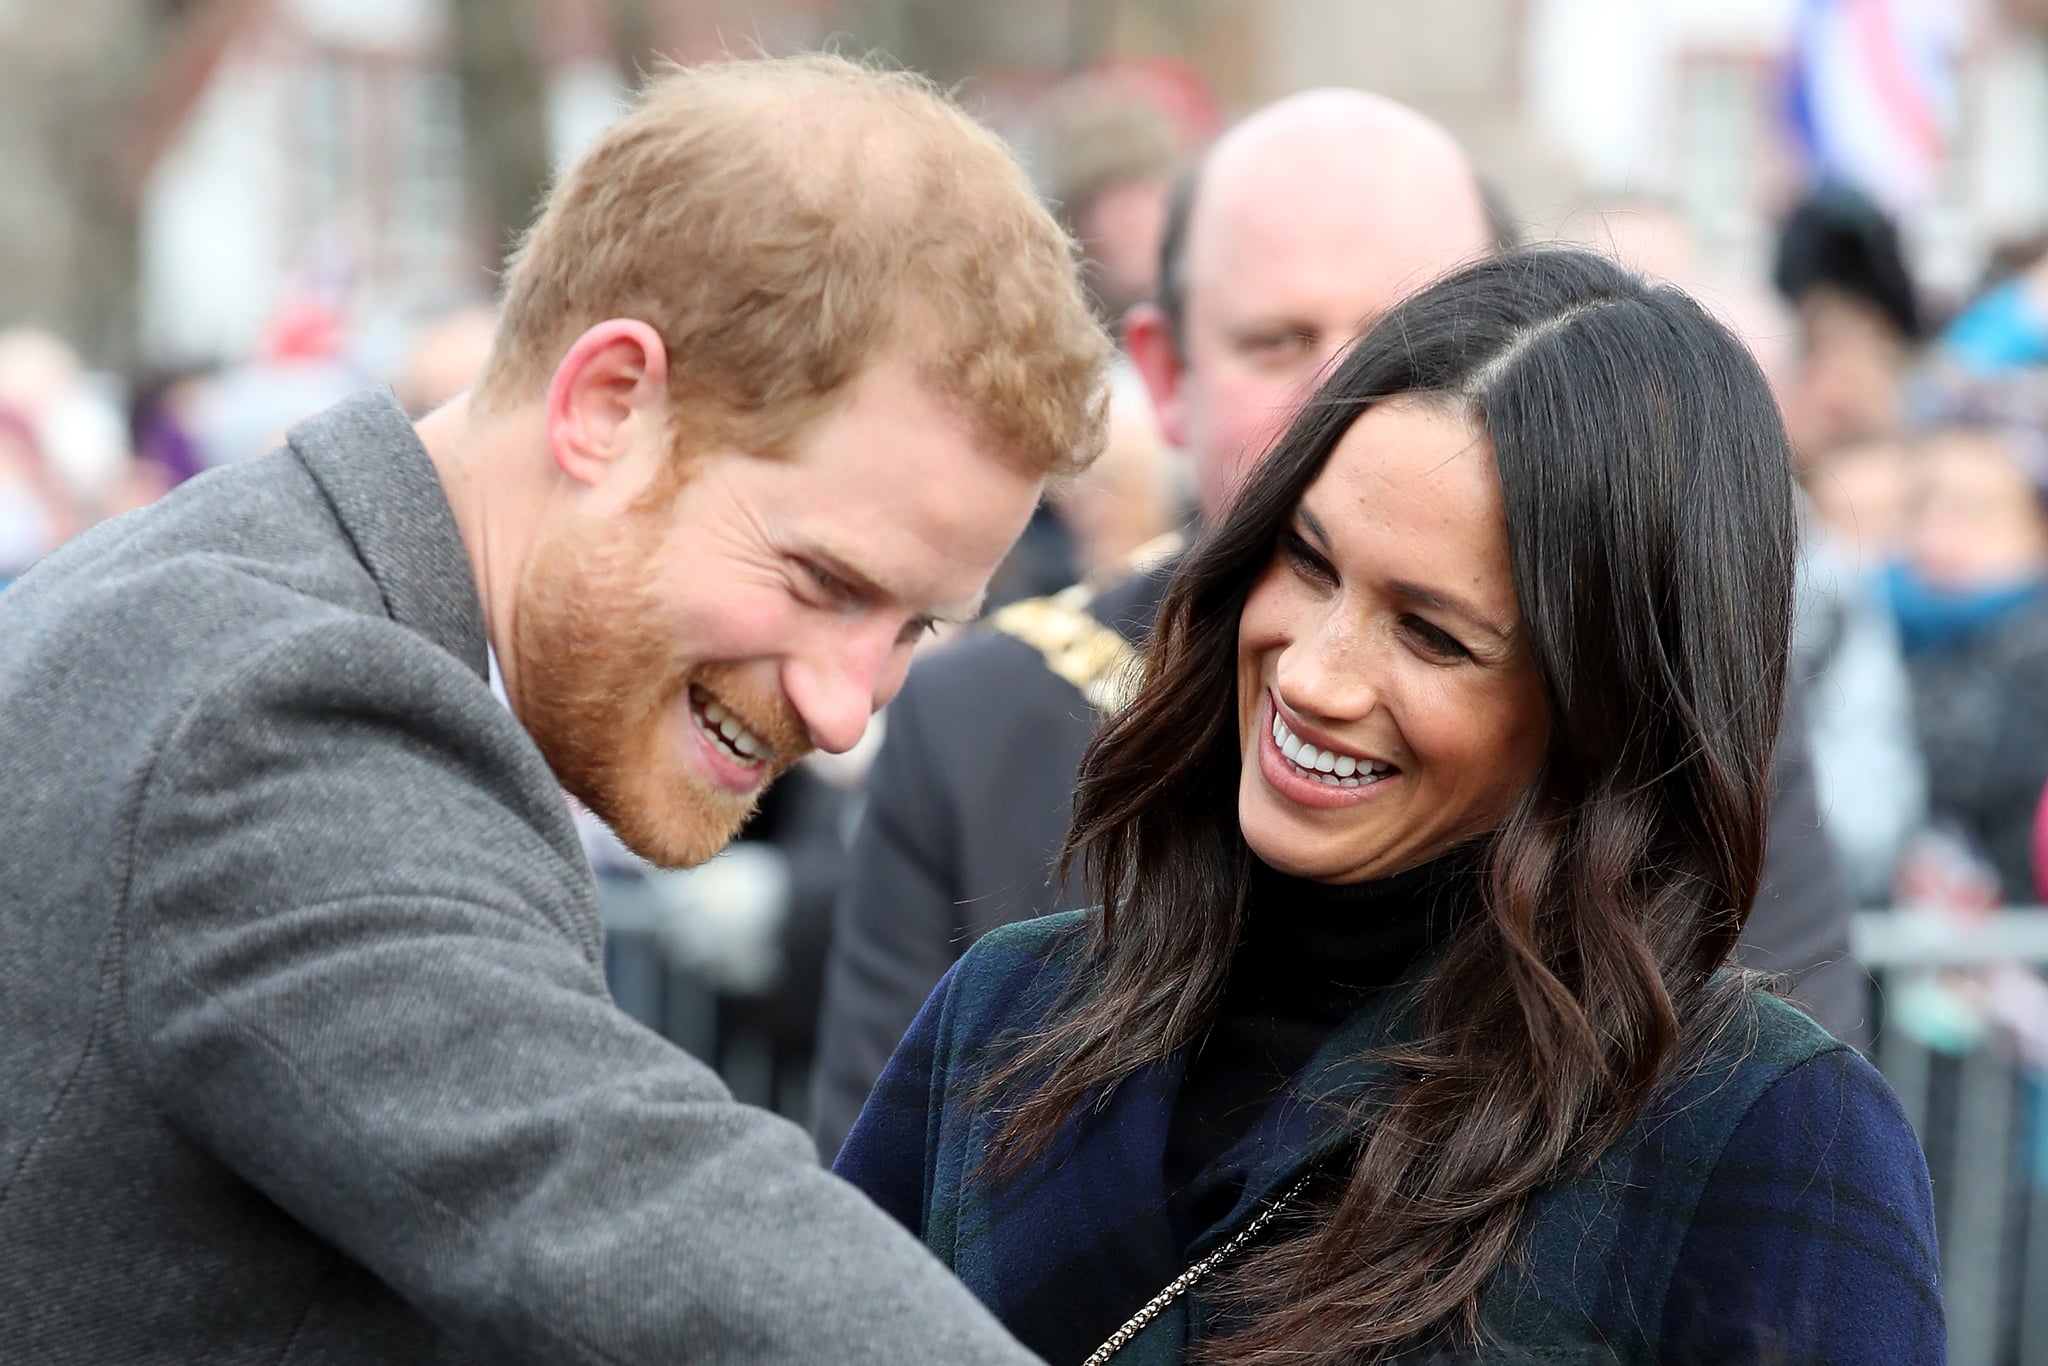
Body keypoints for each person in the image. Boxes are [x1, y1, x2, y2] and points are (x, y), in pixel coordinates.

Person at [0, 54, 1109, 1365]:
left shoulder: (241, 606)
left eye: (914, 627)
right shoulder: (277, 710)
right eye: (821, 579)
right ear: (607, 403)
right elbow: (650, 1212)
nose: (847, 704)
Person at [836, 248, 1941, 1365]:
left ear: (1599, 711)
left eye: (1431, 634)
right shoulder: (1007, 1011)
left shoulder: (1764, 1132)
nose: (1313, 673)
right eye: (1308, 563)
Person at [813, 89, 1861, 1158]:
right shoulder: (982, 714)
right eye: (1277, 341)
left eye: (1425, 336)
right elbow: (871, 1242)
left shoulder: (1672, 713)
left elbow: (1773, 1146)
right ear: (1167, 373)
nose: (1357, 397)